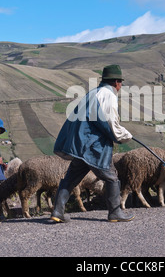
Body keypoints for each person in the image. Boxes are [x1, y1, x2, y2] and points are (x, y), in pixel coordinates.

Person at [52, 64, 134, 223]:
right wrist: (126, 135)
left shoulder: (91, 94)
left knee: (71, 178)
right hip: (94, 146)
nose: (121, 86)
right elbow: (111, 124)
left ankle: (57, 211)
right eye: (120, 83)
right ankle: (115, 213)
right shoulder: (108, 96)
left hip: (80, 145)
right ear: (116, 82)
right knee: (111, 178)